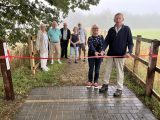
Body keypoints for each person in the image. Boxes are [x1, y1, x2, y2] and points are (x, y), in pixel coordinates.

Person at [99, 13, 134, 97]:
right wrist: (103, 50)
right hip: (110, 54)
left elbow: (130, 43)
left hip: (121, 55)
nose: (118, 20)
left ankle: (119, 89)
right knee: (107, 70)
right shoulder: (111, 30)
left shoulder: (127, 29)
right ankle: (105, 85)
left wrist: (129, 52)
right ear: (114, 20)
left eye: (119, 18)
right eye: (116, 18)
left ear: (122, 19)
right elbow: (106, 41)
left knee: (119, 72)